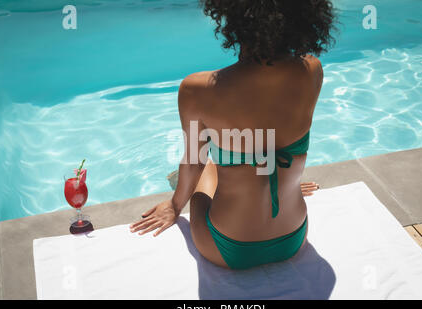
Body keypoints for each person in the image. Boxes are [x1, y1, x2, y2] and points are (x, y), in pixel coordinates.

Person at [131, 0, 335, 269]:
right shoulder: (312, 71)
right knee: (264, 152)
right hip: (294, 237)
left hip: (227, 247)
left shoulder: (197, 89)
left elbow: (194, 161)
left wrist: (174, 205)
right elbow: (272, 132)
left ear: (234, 19)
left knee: (208, 165)